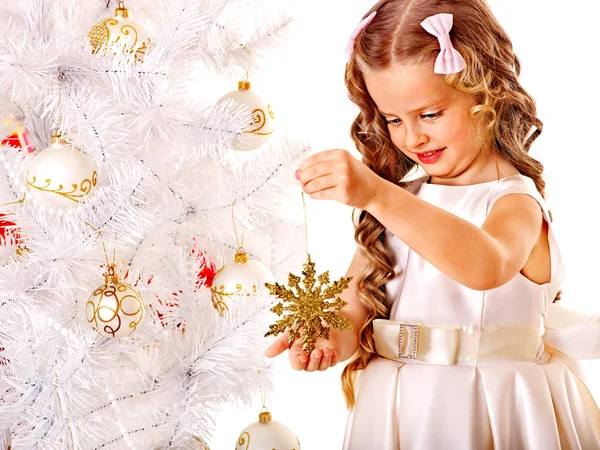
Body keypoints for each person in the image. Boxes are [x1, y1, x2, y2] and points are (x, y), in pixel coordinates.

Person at [265, 0, 600, 448]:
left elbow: (486, 266)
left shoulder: (515, 202)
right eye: (393, 119)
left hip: (494, 406)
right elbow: (354, 306)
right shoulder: (399, 202)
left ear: (486, 93)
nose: (411, 137)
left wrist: (377, 194)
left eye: (429, 114)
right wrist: (329, 336)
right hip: (399, 411)